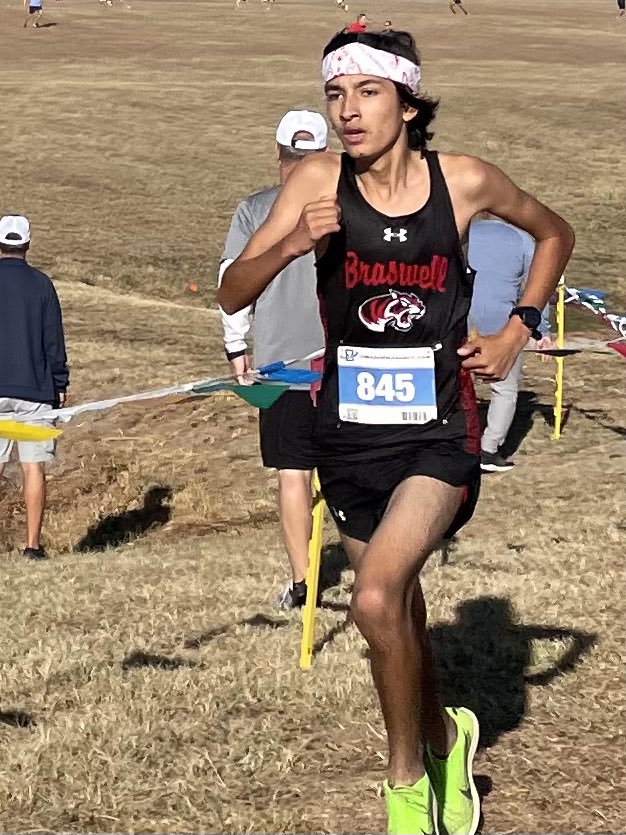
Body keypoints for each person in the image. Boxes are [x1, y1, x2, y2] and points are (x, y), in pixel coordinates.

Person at [218, 29, 574, 835]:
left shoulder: (466, 180)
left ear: (410, 104)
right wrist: (294, 244)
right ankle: (449, 734)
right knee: (399, 614)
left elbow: (556, 232)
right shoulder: (314, 179)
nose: (348, 111)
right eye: (335, 95)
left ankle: (404, 780)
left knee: (372, 598)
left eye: (369, 92)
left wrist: (519, 330)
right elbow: (232, 287)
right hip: (344, 433)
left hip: (438, 432)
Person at [217, 110, 327, 610]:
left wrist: (238, 350)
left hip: (285, 368)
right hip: (339, 365)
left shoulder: (254, 209)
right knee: (350, 469)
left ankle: (304, 582)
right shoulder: (349, 206)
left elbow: (232, 285)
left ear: (278, 155)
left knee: (293, 475)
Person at [0, 215, 69, 561]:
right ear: (27, 244)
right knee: (33, 468)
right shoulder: (42, 285)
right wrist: (60, 383)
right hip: (35, 393)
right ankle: (32, 546)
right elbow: (52, 340)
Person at [469, 217, 554, 472]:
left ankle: (451, 444)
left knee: (452, 385)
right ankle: (488, 450)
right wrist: (543, 330)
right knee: (504, 390)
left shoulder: (460, 230)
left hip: (457, 317)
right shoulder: (521, 239)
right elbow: (537, 288)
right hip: (501, 322)